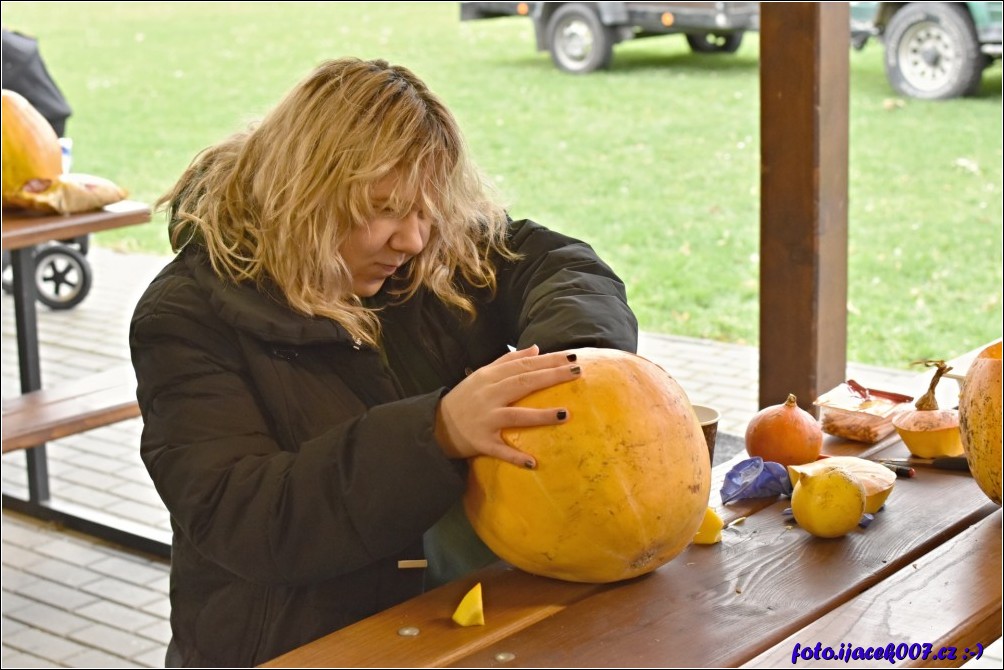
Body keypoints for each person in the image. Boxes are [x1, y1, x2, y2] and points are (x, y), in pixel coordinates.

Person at [130, 57, 637, 667]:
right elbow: (251, 519)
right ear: (305, 193)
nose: (414, 240)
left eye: (427, 210)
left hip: (451, 617)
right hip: (293, 644)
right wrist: (439, 430)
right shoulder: (184, 319)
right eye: (386, 210)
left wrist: (575, 362)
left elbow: (559, 266)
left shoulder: (425, 256)